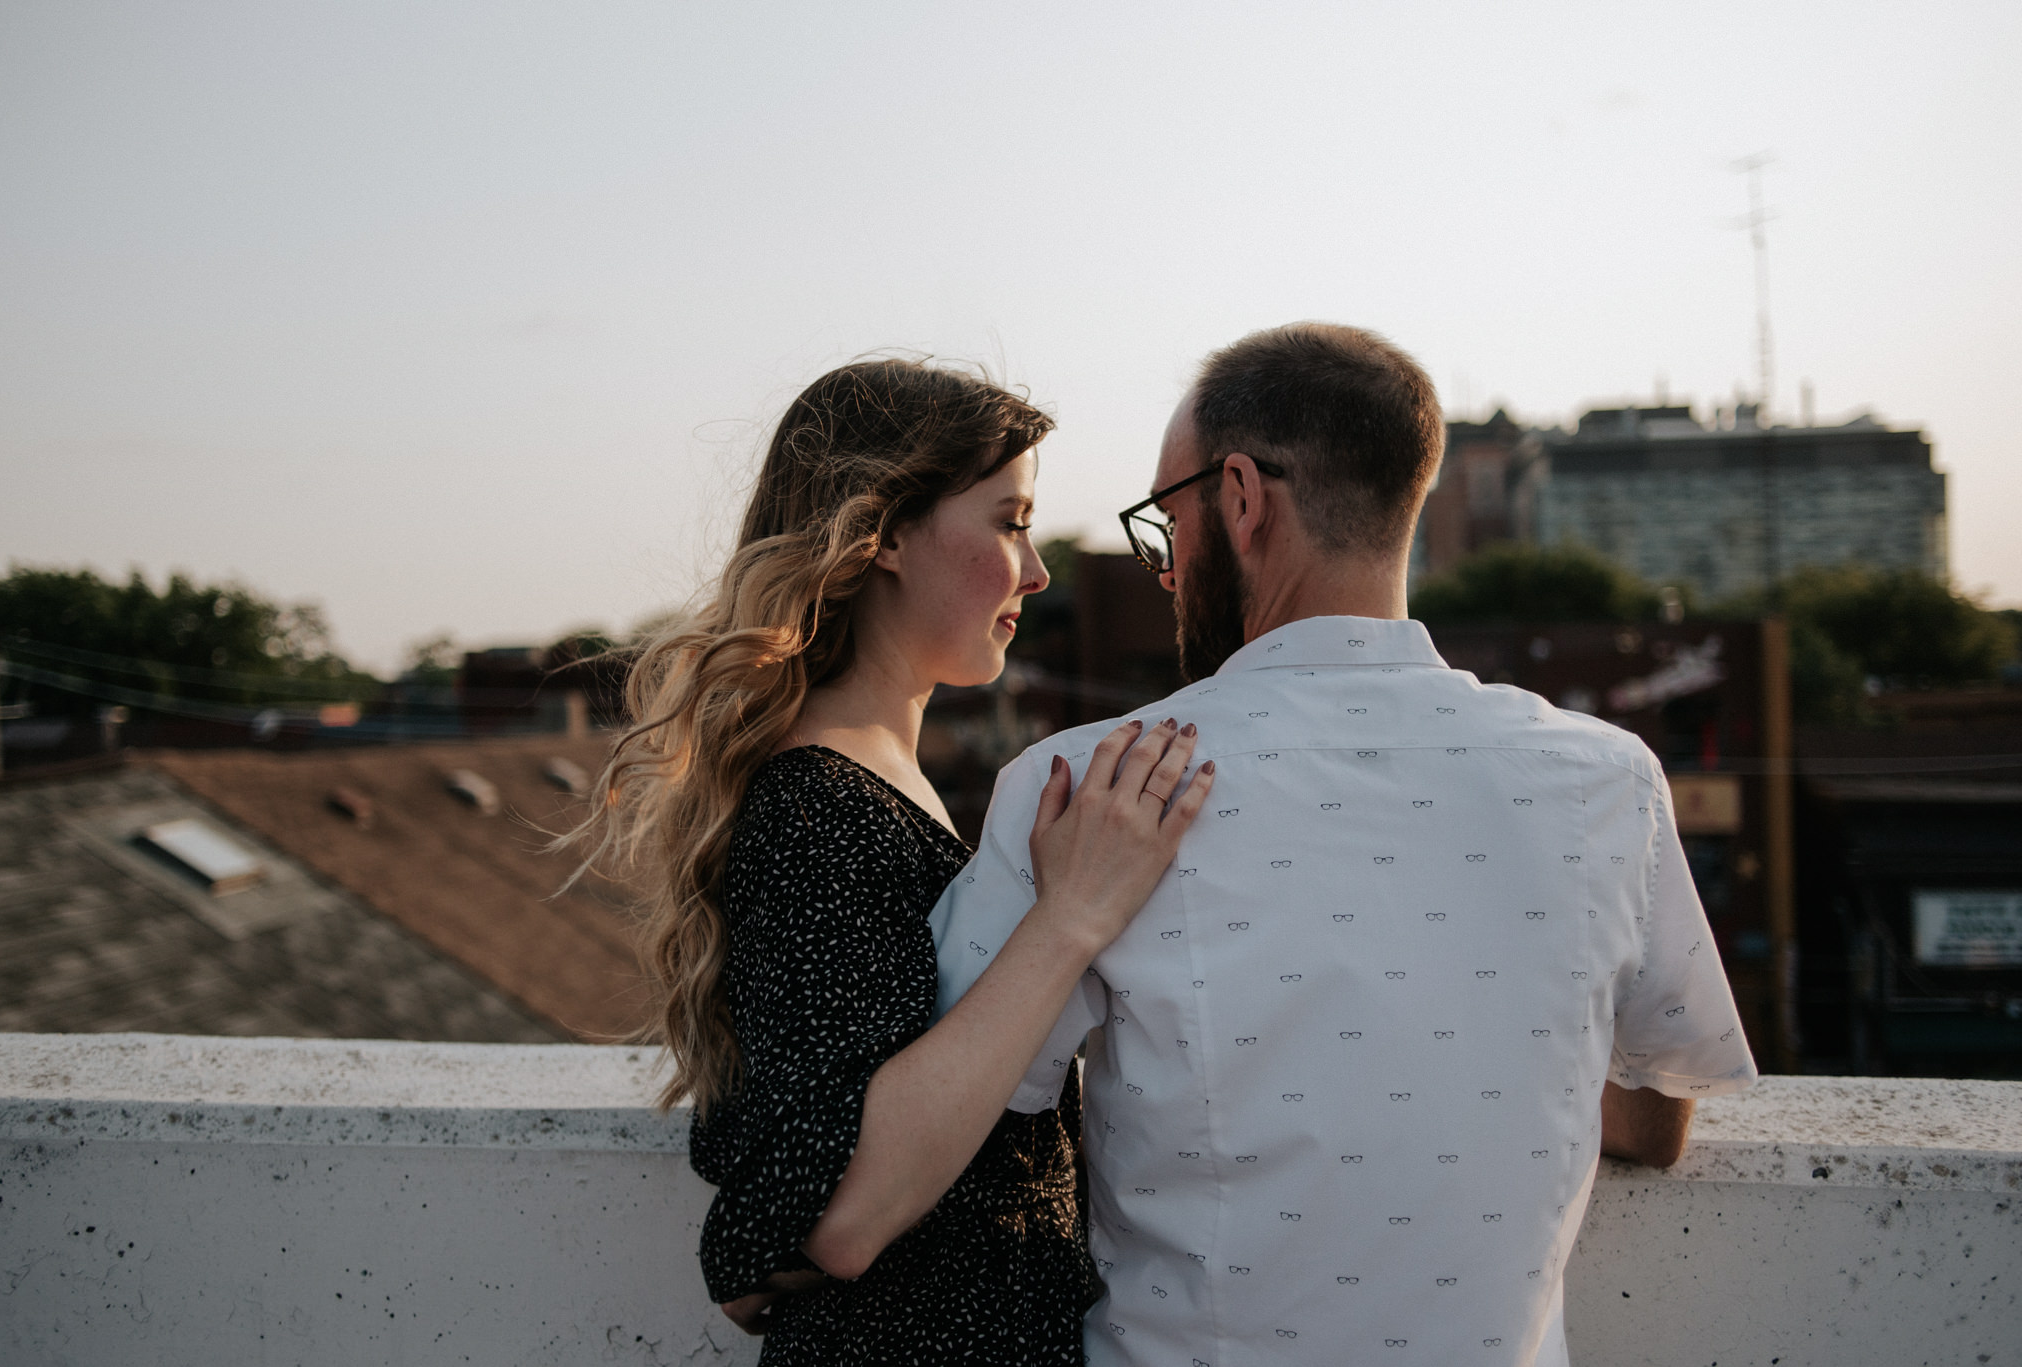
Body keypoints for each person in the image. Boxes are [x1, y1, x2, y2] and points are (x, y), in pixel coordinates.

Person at [930, 323, 1758, 1366]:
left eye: (1166, 522)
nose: (1165, 569)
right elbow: (1654, 1113)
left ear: (1240, 497)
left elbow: (948, 1113)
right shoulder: (1605, 776)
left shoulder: (1087, 786)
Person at [570, 358, 1217, 1365]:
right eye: (1009, 522)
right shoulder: (816, 807)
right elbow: (841, 1211)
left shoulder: (867, 786)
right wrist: (1070, 917)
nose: (1037, 572)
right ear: (881, 536)